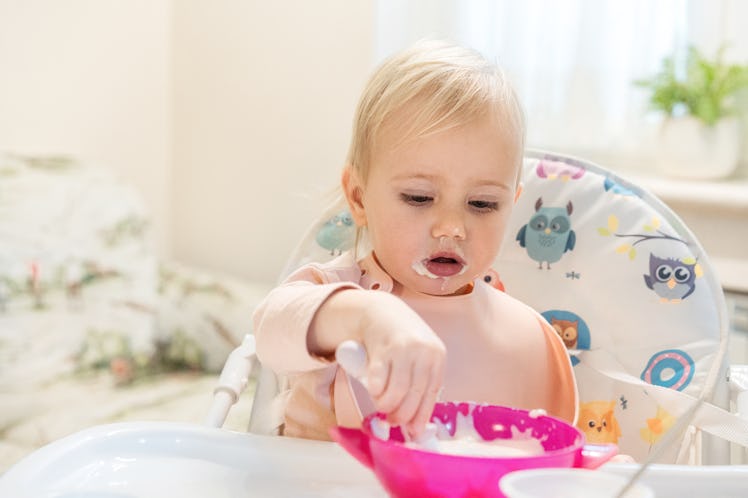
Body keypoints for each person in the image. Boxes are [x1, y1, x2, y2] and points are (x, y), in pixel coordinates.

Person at [252, 39, 578, 441]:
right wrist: (364, 316)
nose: (451, 227)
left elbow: (550, 461)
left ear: (512, 204)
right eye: (419, 198)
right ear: (358, 198)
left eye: (482, 203)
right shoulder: (335, 294)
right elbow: (270, 332)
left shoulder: (526, 339)